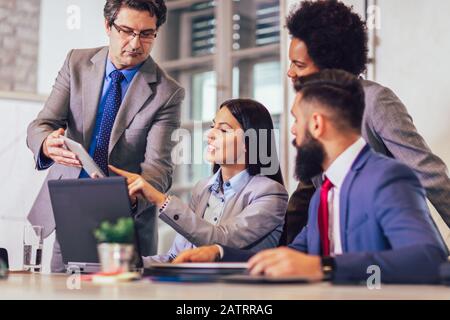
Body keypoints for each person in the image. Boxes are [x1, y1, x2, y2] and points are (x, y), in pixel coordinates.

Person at [173, 70, 448, 285]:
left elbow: (427, 259)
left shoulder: (388, 177)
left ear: (316, 124)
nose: (292, 131)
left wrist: (324, 267)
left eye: (295, 120)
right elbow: (292, 256)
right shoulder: (323, 193)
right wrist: (219, 255)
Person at [26, 0, 184, 272]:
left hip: (124, 221)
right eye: (126, 31)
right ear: (108, 26)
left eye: (147, 34)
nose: (135, 44)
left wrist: (133, 195)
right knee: (61, 291)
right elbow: (42, 124)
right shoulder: (76, 62)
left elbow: (159, 168)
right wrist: (46, 143)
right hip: (70, 208)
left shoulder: (167, 92)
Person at [280, 0, 450, 245]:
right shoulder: (311, 108)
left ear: (329, 63)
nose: (290, 72)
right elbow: (314, 190)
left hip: (389, 248)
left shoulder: (374, 100)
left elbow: (428, 174)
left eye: (299, 64)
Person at [110, 99, 288, 264]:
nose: (210, 135)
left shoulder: (271, 194)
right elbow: (175, 257)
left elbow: (221, 241)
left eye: (223, 130)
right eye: (212, 126)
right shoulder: (203, 188)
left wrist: (160, 200)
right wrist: (123, 264)